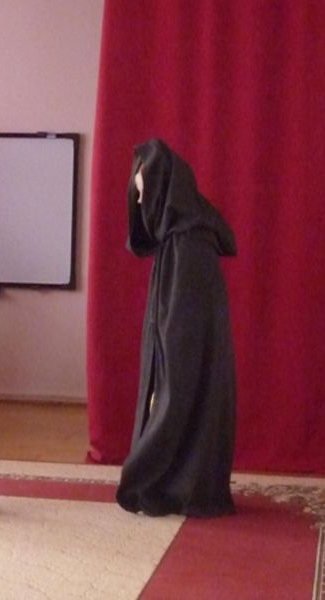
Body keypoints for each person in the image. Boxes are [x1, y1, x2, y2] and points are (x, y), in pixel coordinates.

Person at [116, 138, 237, 518]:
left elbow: (183, 325)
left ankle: (163, 485)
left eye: (142, 192)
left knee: (180, 404)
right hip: (181, 352)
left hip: (182, 356)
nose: (139, 201)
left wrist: (167, 365)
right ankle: (172, 485)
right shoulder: (182, 237)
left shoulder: (187, 243)